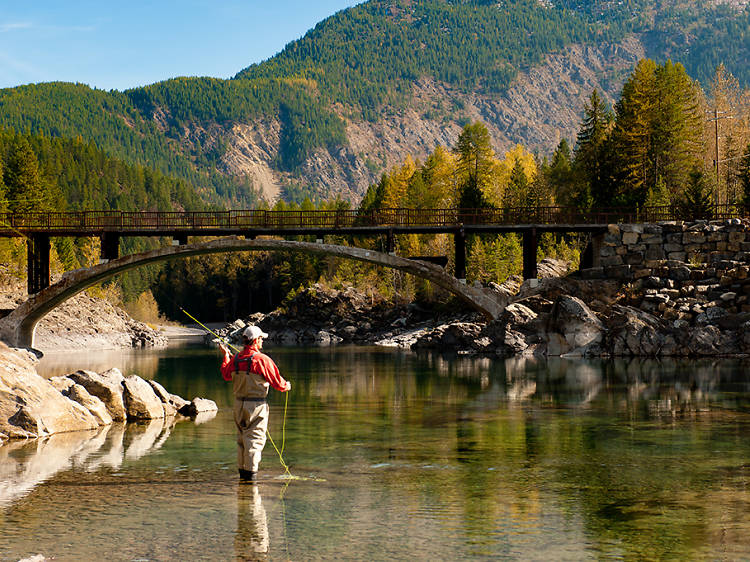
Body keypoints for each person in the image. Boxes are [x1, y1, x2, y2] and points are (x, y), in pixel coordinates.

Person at [220, 325, 291, 482]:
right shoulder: (262, 360)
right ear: (256, 340)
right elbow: (279, 384)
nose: (262, 342)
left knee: (241, 441)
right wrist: (288, 385)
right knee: (254, 441)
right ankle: (250, 481)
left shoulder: (236, 359)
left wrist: (226, 356)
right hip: (256, 406)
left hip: (238, 406)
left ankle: (243, 478)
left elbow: (226, 375)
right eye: (261, 339)